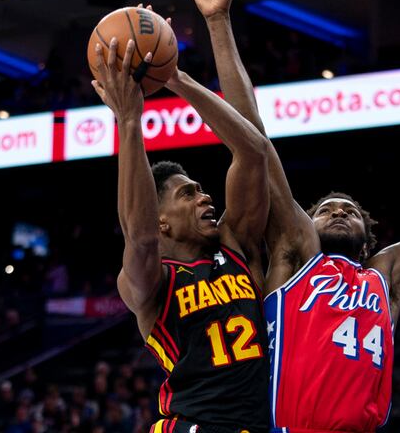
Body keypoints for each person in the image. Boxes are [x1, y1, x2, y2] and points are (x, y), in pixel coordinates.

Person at [191, 0, 400, 429]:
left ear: (368, 241)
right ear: (307, 223)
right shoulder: (295, 252)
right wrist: (218, 20)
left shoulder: (387, 276)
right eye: (326, 210)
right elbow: (251, 135)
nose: (338, 212)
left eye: (350, 211)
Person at [90, 26, 271, 431]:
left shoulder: (234, 243)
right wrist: (129, 120)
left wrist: (176, 78)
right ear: (162, 219)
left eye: (201, 190)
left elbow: (254, 152)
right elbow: (140, 237)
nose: (205, 197)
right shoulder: (151, 281)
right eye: (188, 194)